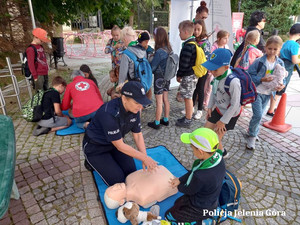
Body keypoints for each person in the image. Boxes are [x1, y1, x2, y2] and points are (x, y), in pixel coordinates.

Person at [82, 81, 158, 186]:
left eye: (141, 103)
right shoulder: (109, 113)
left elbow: (138, 135)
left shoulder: (134, 110)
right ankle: (90, 161)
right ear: (124, 98)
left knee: (131, 172)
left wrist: (144, 156)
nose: (140, 107)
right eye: (137, 103)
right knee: (118, 181)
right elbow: (120, 146)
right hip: (96, 148)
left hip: (114, 145)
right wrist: (144, 158)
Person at [165, 128, 225, 224]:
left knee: (169, 215)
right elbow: (194, 170)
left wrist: (178, 185)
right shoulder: (218, 156)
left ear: (201, 151)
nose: (192, 151)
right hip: (211, 200)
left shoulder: (200, 176)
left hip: (200, 207)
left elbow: (189, 190)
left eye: (192, 149)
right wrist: (180, 179)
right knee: (178, 203)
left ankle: (199, 221)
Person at [246, 36, 285, 150]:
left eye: (275, 49)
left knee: (260, 115)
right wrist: (262, 79)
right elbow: (249, 75)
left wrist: (281, 86)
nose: (272, 51)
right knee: (258, 115)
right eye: (270, 48)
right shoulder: (259, 61)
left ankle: (251, 130)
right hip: (257, 91)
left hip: (269, 94)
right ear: (265, 48)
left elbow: (283, 77)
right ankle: (252, 135)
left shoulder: (280, 63)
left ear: (279, 49)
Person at [203, 48, 242, 158]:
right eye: (210, 69)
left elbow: (235, 105)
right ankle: (223, 152)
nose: (211, 72)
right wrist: (210, 107)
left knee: (215, 138)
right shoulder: (217, 77)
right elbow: (214, 93)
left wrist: (223, 121)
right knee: (206, 131)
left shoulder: (233, 82)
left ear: (226, 67)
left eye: (214, 69)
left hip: (230, 114)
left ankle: (214, 158)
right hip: (219, 109)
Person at [267, 24, 300, 116]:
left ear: (290, 33)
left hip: (279, 66)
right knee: (279, 90)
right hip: (287, 69)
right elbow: (294, 60)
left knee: (276, 87)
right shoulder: (295, 45)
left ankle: (271, 108)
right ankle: (271, 110)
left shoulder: (285, 43)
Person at [147, 27, 172, 129]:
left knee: (159, 101)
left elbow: (153, 67)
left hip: (159, 78)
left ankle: (157, 122)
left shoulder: (159, 52)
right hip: (167, 77)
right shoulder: (169, 49)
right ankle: (165, 119)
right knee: (165, 99)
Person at [176, 20, 198, 128]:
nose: (179, 34)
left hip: (188, 75)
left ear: (185, 32)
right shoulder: (193, 43)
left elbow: (184, 63)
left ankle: (188, 119)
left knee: (188, 97)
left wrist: (179, 74)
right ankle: (187, 117)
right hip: (192, 75)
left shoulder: (188, 46)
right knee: (187, 96)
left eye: (180, 32)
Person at [203, 30, 230, 112]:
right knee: (209, 87)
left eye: (227, 38)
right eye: (225, 38)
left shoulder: (226, 47)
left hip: (221, 72)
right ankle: (205, 103)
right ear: (219, 38)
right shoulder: (214, 48)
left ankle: (213, 102)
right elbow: (211, 60)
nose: (227, 40)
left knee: (217, 87)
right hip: (213, 72)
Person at [190, 20, 210, 120]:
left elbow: (207, 57)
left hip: (202, 69)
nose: (196, 31)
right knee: (194, 88)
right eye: (195, 29)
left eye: (198, 29)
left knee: (200, 89)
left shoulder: (205, 42)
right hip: (194, 69)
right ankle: (191, 107)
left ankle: (199, 110)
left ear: (202, 30)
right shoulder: (193, 40)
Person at [137, 31, 154, 100]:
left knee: (148, 86)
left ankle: (148, 100)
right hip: (141, 70)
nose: (139, 44)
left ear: (147, 41)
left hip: (148, 71)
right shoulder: (139, 48)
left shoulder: (150, 51)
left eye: (141, 42)